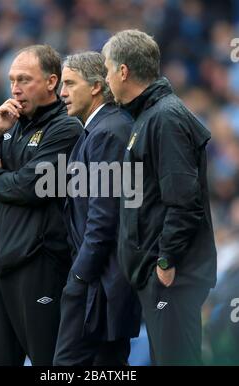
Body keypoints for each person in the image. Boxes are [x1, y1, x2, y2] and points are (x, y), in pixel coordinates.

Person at [0, 45, 83, 366]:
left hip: (38, 268)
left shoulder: (66, 128)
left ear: (52, 81)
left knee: (50, 365)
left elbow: (30, 187)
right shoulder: (8, 123)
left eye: (25, 79)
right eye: (13, 79)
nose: (15, 88)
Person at [102, 30, 217, 366]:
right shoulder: (149, 116)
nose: (107, 79)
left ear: (123, 72)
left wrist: (165, 261)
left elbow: (184, 200)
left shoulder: (165, 118)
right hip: (159, 275)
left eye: (108, 70)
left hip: (172, 277)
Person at [53, 51, 141, 366]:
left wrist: (79, 276)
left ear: (95, 87)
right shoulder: (100, 129)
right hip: (101, 280)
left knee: (69, 365)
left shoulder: (108, 132)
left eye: (69, 84)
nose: (61, 93)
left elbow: (104, 218)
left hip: (100, 283)